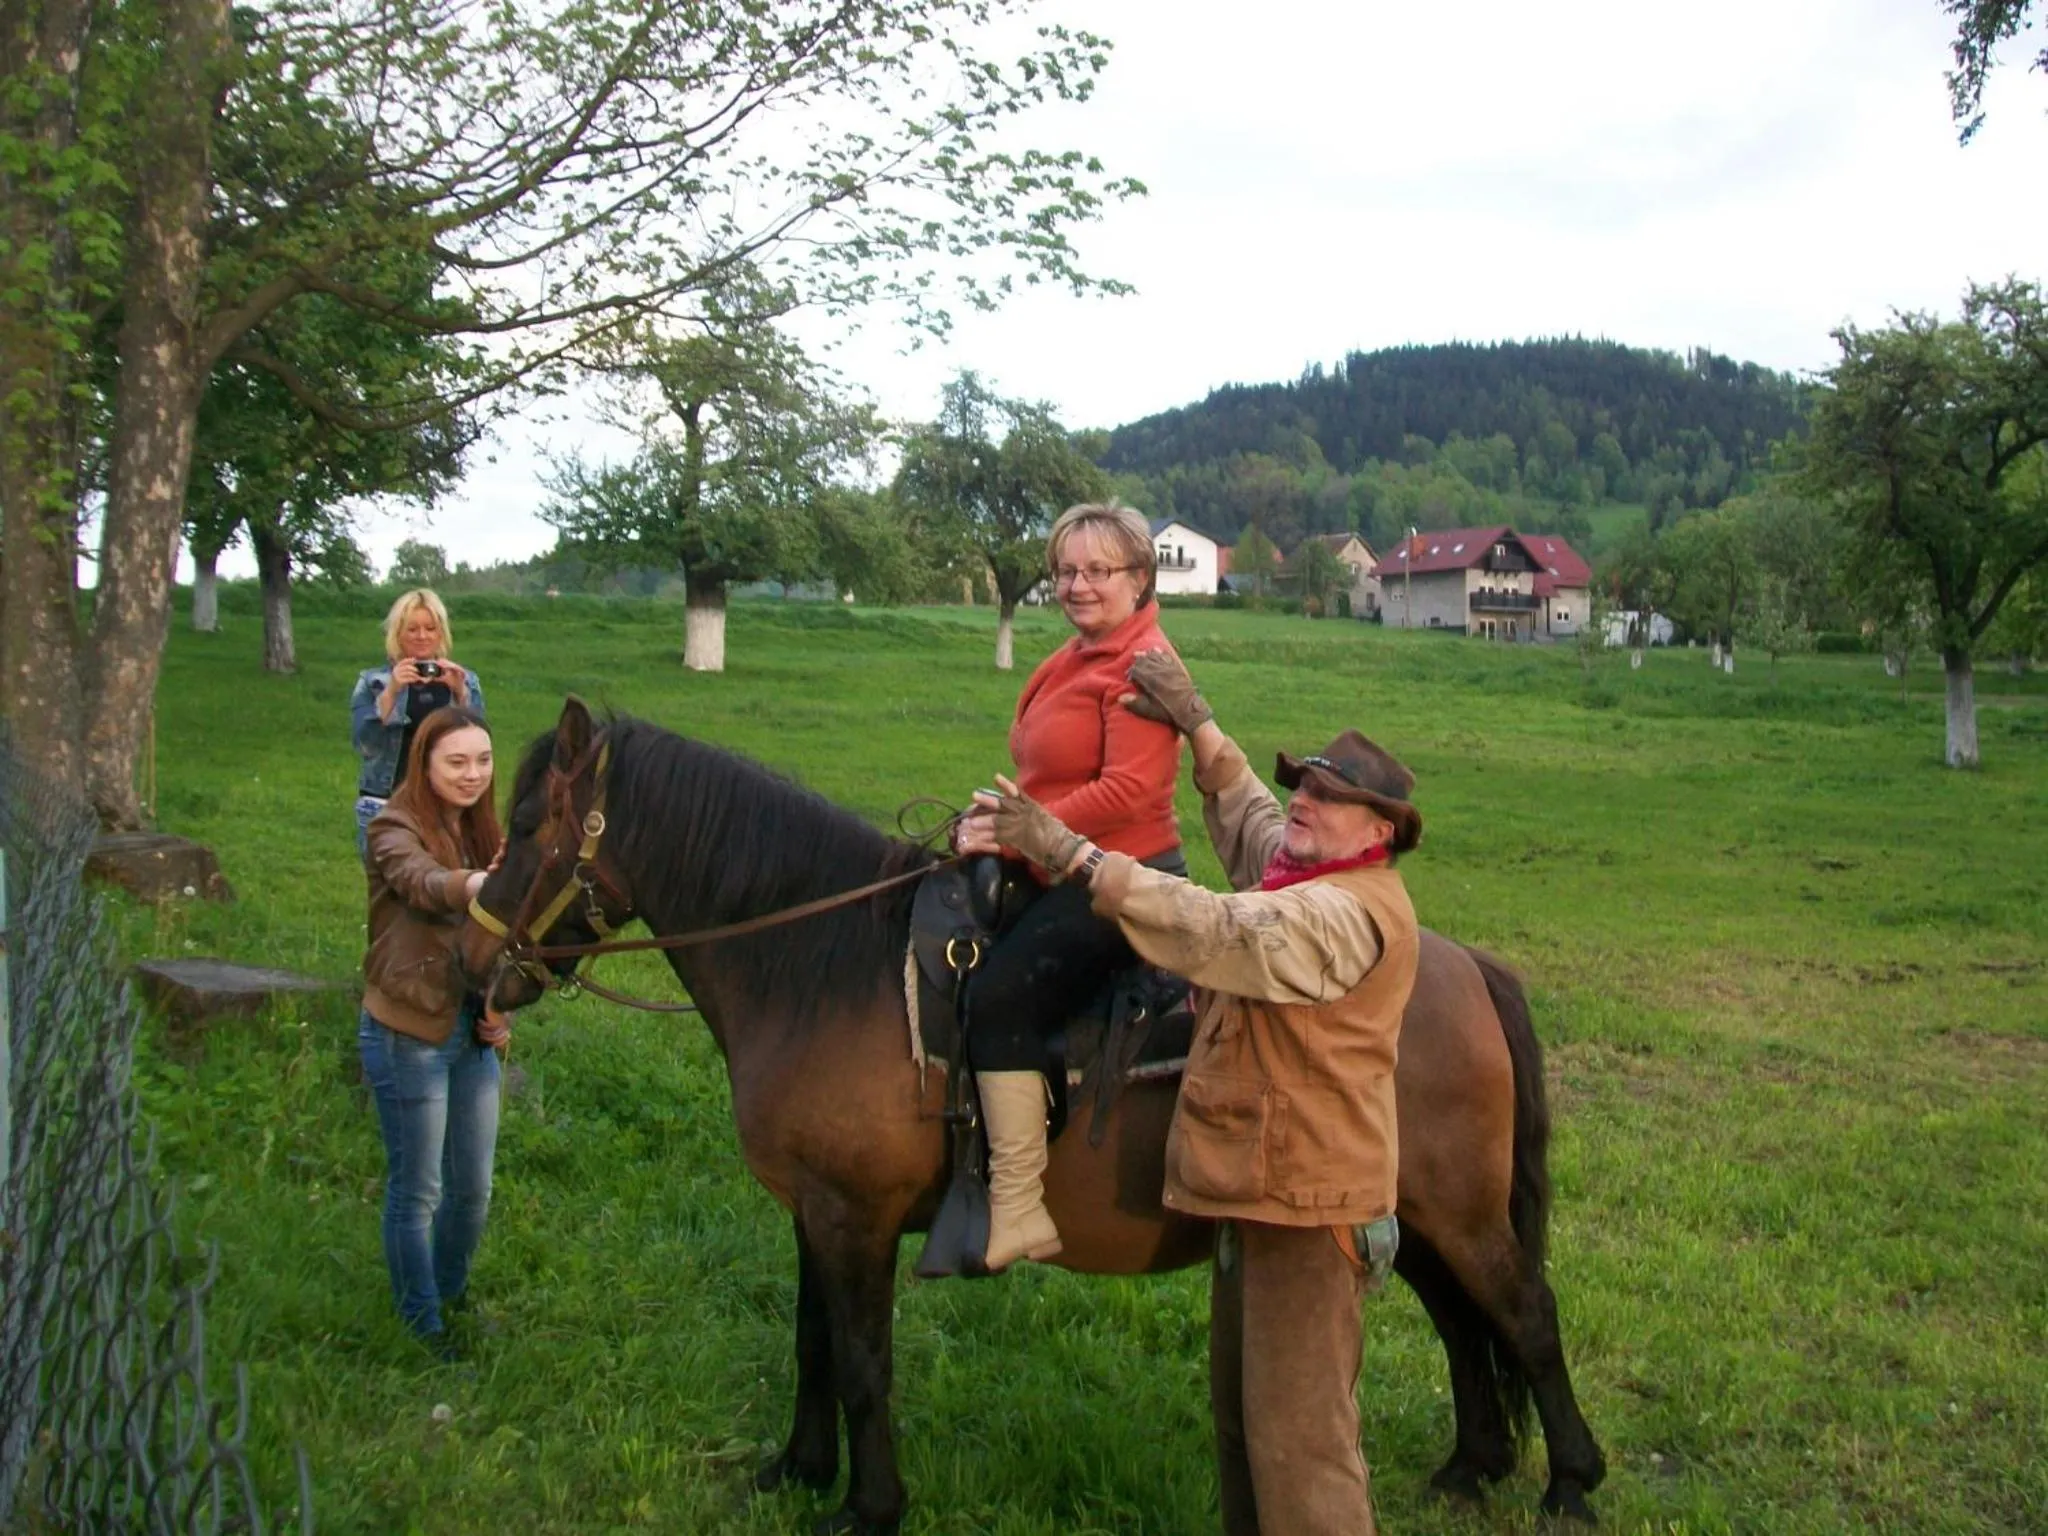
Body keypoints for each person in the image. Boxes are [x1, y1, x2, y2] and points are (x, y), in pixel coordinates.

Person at [985, 648, 1421, 1536]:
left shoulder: (1340, 913)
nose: (1303, 800)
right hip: (1261, 1198)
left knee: (1303, 1449)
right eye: (1306, 784)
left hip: (1309, 1212)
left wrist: (1072, 853)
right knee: (1246, 1433)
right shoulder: (1308, 868)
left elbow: (1216, 926)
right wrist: (1198, 720)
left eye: (1331, 798)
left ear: (1379, 832)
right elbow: (1248, 813)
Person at [952, 502, 1187, 1273]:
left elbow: (1127, 789)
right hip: (1057, 859)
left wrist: (1028, 827)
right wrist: (993, 820)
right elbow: (1042, 773)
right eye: (1066, 571)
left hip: (1122, 880)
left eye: (1098, 571)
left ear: (1140, 578)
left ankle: (1019, 1207)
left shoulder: (1142, 664)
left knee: (998, 995)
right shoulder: (1074, 657)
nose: (1077, 585)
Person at [359, 705, 510, 1358]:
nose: (472, 774)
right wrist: (478, 885)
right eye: (456, 761)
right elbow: (419, 883)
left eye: (482, 760)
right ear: (424, 763)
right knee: (417, 1189)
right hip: (409, 1033)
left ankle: (446, 1294)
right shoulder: (392, 826)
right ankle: (421, 1326)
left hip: (473, 1034)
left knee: (472, 1190)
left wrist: (499, 1006)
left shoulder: (488, 831)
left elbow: (499, 940)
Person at [350, 588, 485, 857]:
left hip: (445, 806)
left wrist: (460, 696)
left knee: (442, 890)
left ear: (441, 633)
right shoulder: (373, 682)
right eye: (412, 629)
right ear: (397, 633)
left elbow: (479, 747)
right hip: (387, 803)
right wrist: (392, 692)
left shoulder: (464, 680)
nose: (422, 637)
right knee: (391, 894)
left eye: (430, 628)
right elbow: (364, 743)